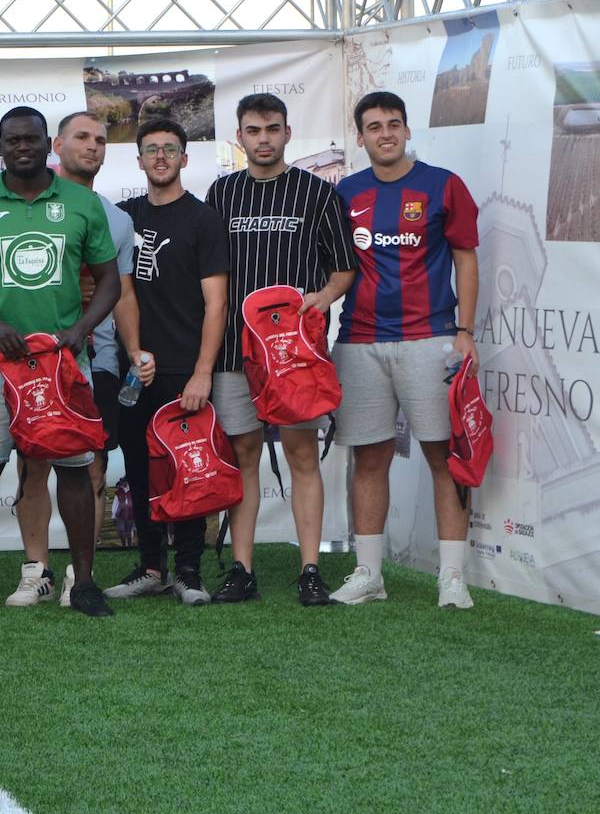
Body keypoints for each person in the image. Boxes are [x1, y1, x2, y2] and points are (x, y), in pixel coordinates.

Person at [0, 106, 121, 617]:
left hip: (63, 361)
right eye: (12, 140)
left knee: (75, 468)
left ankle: (83, 584)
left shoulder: (81, 204)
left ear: (48, 144)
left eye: (31, 138)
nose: (22, 146)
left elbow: (110, 281)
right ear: (0, 147)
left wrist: (80, 331)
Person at [204, 93, 358, 606]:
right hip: (233, 352)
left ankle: (310, 569)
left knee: (301, 456)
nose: (263, 139)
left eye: (272, 128)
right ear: (239, 137)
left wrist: (323, 297)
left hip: (295, 356)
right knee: (243, 456)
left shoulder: (318, 193)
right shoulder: (222, 192)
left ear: (288, 133)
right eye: (253, 130)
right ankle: (242, 570)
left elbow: (343, 268)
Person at [328, 91, 480, 609]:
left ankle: (452, 577)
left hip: (430, 338)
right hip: (360, 341)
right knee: (369, 458)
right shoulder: (346, 192)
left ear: (408, 130)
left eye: (394, 123)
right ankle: (369, 573)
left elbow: (466, 258)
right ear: (361, 137)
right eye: (374, 126)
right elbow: (339, 268)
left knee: (444, 457)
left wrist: (465, 330)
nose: (386, 133)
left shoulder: (442, 185)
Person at [8, 111, 137, 607]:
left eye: (101, 140)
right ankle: (35, 570)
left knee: (89, 469)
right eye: (81, 137)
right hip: (32, 358)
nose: (93, 146)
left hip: (93, 358)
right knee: (33, 463)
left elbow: (122, 292)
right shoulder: (22, 201)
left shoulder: (118, 219)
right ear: (55, 145)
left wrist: (133, 350)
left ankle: (79, 575)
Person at [106, 119, 229, 607]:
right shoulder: (123, 217)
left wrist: (202, 372)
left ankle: (189, 571)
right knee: (140, 469)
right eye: (152, 149)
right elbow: (117, 290)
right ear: (138, 160)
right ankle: (152, 567)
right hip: (136, 369)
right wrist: (134, 352)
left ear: (184, 159)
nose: (161, 156)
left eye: (170, 149)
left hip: (184, 369)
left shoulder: (203, 220)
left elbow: (216, 305)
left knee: (187, 471)